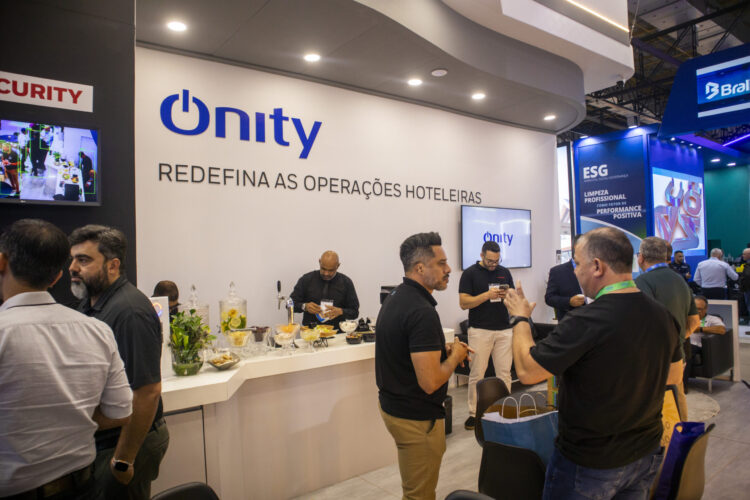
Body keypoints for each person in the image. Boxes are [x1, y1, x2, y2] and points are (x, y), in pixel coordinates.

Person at [504, 227, 682, 500]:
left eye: (577, 264)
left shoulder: (585, 320)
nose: (575, 272)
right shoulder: (662, 315)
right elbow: (673, 376)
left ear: (597, 266)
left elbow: (528, 371)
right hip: (645, 453)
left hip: (590, 463)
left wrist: (519, 318)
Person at [0, 219, 132, 498]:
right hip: (81, 487)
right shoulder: (97, 331)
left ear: (2, 262)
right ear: (56, 277)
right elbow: (120, 411)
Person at [69, 225, 169, 500]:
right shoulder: (92, 303)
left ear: (113, 265)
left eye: (83, 260)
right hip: (104, 441)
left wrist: (123, 459)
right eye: (73, 259)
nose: (73, 268)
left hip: (124, 444)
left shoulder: (129, 312)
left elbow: (147, 392)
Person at [376, 232, 471, 500]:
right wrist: (456, 355)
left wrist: (440, 351)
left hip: (395, 408)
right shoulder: (421, 311)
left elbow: (405, 350)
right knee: (420, 495)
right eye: (441, 263)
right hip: (416, 418)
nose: (449, 269)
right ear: (420, 268)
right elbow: (430, 382)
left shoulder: (397, 296)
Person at [635, 236, 699, 414]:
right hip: (678, 355)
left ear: (641, 257)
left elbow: (642, 323)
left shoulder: (642, 282)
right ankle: (682, 432)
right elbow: (694, 321)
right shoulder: (680, 280)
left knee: (653, 407)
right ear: (666, 257)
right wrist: (677, 339)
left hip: (653, 359)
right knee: (677, 399)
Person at [458, 240, 514, 430]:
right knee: (477, 373)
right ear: (482, 255)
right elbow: (463, 303)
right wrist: (486, 296)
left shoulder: (504, 272)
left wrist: (508, 296)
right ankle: (474, 414)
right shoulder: (470, 274)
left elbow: (512, 297)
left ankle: (505, 410)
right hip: (480, 330)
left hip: (504, 329)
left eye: (497, 261)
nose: (493, 264)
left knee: (504, 373)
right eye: (490, 261)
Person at [290, 250, 359, 329]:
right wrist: (304, 306)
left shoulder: (346, 282)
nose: (326, 273)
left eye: (331, 270)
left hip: (337, 333)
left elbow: (355, 312)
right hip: (310, 332)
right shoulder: (306, 279)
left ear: (338, 266)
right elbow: (289, 304)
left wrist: (341, 311)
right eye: (323, 269)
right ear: (319, 262)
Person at [687, 295, 726, 381]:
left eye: (699, 309)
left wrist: (701, 329)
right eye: (694, 308)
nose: (697, 311)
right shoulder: (686, 317)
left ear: (705, 309)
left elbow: (722, 330)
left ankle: (683, 385)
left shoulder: (712, 319)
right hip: (683, 343)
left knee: (687, 351)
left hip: (697, 345)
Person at [544, 238, 584, 321]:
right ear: (576, 248)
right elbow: (549, 298)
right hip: (569, 322)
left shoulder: (596, 268)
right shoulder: (558, 271)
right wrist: (569, 301)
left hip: (596, 322)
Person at [736, 248, 750, 317]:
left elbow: (747, 277)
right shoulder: (747, 264)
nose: (742, 256)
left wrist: (742, 286)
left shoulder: (748, 265)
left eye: (744, 254)